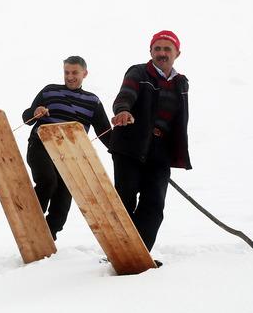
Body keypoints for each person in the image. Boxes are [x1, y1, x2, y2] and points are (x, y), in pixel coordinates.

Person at [109, 30, 191, 252]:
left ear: (177, 53)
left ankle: (139, 253)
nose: (162, 53)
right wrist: (123, 110)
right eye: (157, 48)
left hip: (160, 150)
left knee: (154, 203)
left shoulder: (181, 83)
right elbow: (126, 94)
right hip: (131, 144)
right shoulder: (138, 72)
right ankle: (119, 252)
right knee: (125, 198)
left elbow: (179, 121)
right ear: (151, 51)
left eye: (167, 49)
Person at [22, 56, 111, 240]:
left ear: (84, 74)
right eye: (66, 72)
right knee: (48, 180)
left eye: (74, 73)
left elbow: (105, 133)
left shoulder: (92, 101)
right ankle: (32, 222)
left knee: (63, 198)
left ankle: (49, 233)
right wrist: (35, 112)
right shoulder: (49, 91)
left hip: (70, 154)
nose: (70, 77)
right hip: (41, 146)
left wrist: (125, 150)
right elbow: (26, 118)